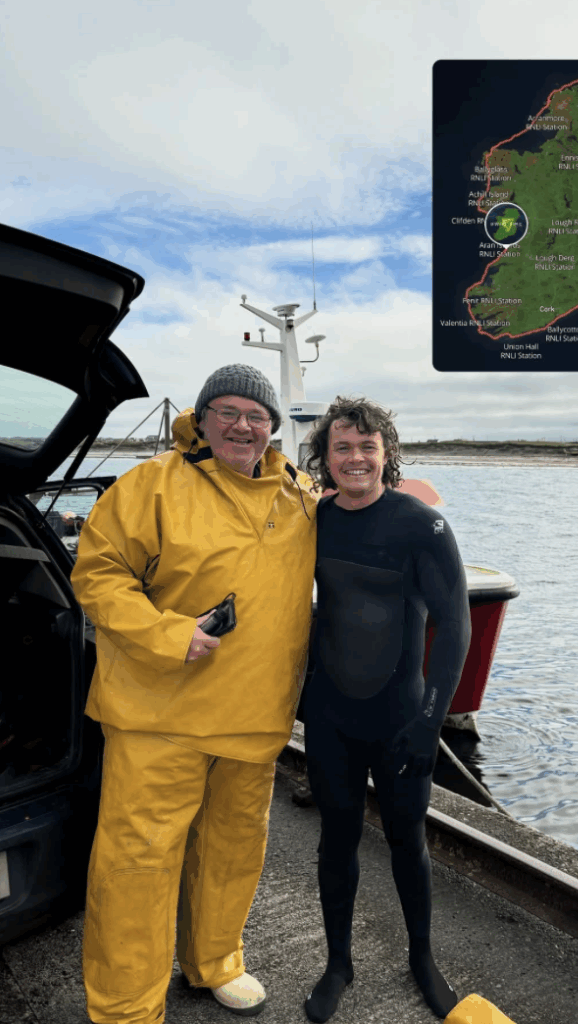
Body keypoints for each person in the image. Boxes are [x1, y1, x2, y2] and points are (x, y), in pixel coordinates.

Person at [71, 364, 317, 1023]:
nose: (243, 425)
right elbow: (97, 574)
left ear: (272, 429)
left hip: (256, 718)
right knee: (137, 864)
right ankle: (126, 1008)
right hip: (159, 716)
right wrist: (162, 632)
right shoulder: (150, 485)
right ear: (202, 420)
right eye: (229, 411)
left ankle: (216, 963)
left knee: (234, 850)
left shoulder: (299, 496)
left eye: (257, 416)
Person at [300, 396, 472, 1022]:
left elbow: (454, 631)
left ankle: (422, 958)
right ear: (325, 457)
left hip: (400, 716)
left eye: (367, 447)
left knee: (407, 840)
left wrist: (430, 723)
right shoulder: (315, 518)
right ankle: (337, 962)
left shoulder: (420, 524)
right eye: (342, 447)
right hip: (331, 716)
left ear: (386, 454)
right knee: (336, 839)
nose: (355, 458)